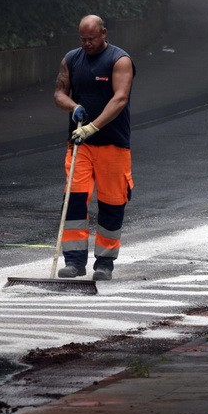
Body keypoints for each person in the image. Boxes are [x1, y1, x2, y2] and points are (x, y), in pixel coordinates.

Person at [52, 14, 135, 281]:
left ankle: (104, 264)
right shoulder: (72, 59)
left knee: (112, 202)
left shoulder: (119, 60)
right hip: (80, 144)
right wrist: (73, 106)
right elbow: (59, 93)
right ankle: (74, 262)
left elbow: (120, 99)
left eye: (91, 38)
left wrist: (93, 126)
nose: (87, 43)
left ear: (103, 33)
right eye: (82, 39)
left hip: (113, 144)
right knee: (74, 199)